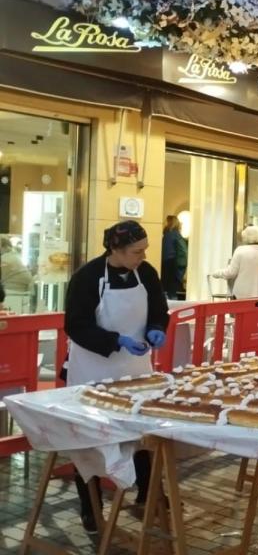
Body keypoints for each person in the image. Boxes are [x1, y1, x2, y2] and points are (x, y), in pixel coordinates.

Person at [64, 220, 169, 533]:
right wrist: (115, 340)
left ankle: (149, 496)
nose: (142, 256)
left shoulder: (146, 273)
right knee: (91, 440)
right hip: (93, 370)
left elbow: (159, 309)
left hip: (136, 369)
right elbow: (76, 324)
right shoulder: (87, 278)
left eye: (144, 250)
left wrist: (157, 328)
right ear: (116, 249)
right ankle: (91, 507)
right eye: (136, 251)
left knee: (140, 435)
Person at [212, 225, 258, 299]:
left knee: (240, 310)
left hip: (241, 296)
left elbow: (231, 273)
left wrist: (216, 273)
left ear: (245, 237)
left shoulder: (240, 250)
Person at [161, 215, 187, 300]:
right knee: (172, 290)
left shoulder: (167, 234)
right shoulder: (176, 235)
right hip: (173, 263)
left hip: (166, 262)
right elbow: (183, 251)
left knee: (166, 288)